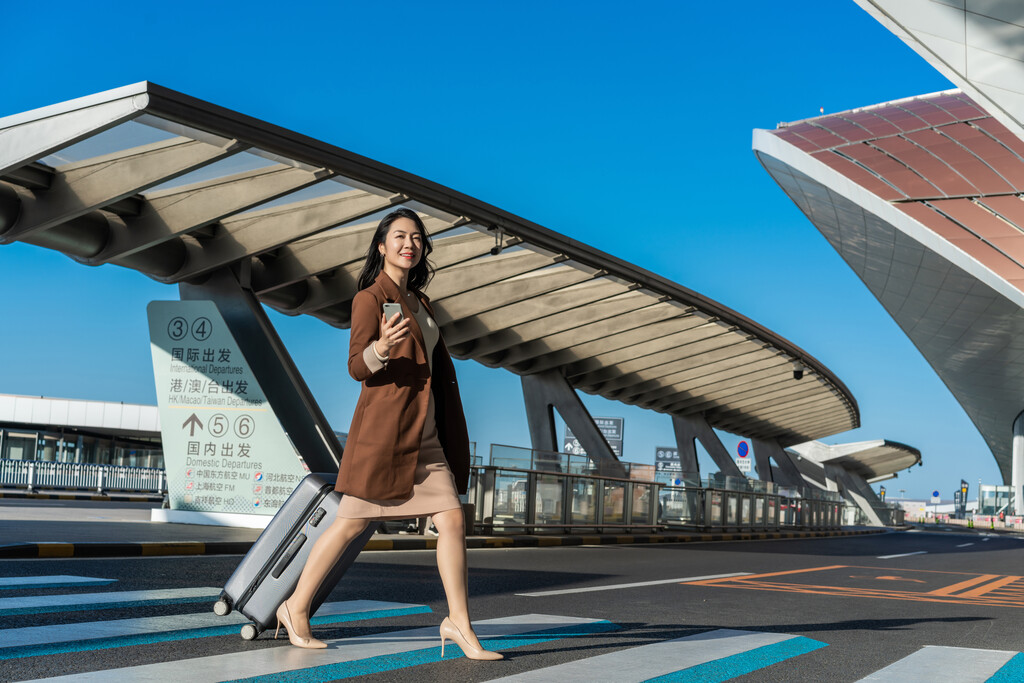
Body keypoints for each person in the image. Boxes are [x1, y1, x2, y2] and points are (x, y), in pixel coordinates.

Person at [275, 208, 502, 661]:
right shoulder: (369, 299)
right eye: (399, 236)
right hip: (385, 434)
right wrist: (380, 348)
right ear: (382, 246)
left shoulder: (421, 302)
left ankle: (458, 621)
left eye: (416, 238)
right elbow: (356, 365)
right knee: (351, 523)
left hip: (427, 431)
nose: (409, 244)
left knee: (452, 519)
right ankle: (294, 608)